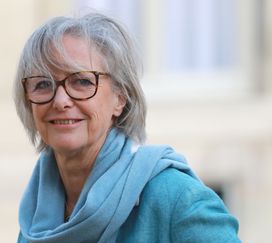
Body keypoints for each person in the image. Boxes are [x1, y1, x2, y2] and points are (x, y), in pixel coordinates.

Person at [13, 13, 241, 243]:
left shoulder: (175, 197)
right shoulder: (36, 218)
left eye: (82, 81)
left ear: (120, 98)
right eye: (42, 84)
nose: (60, 100)